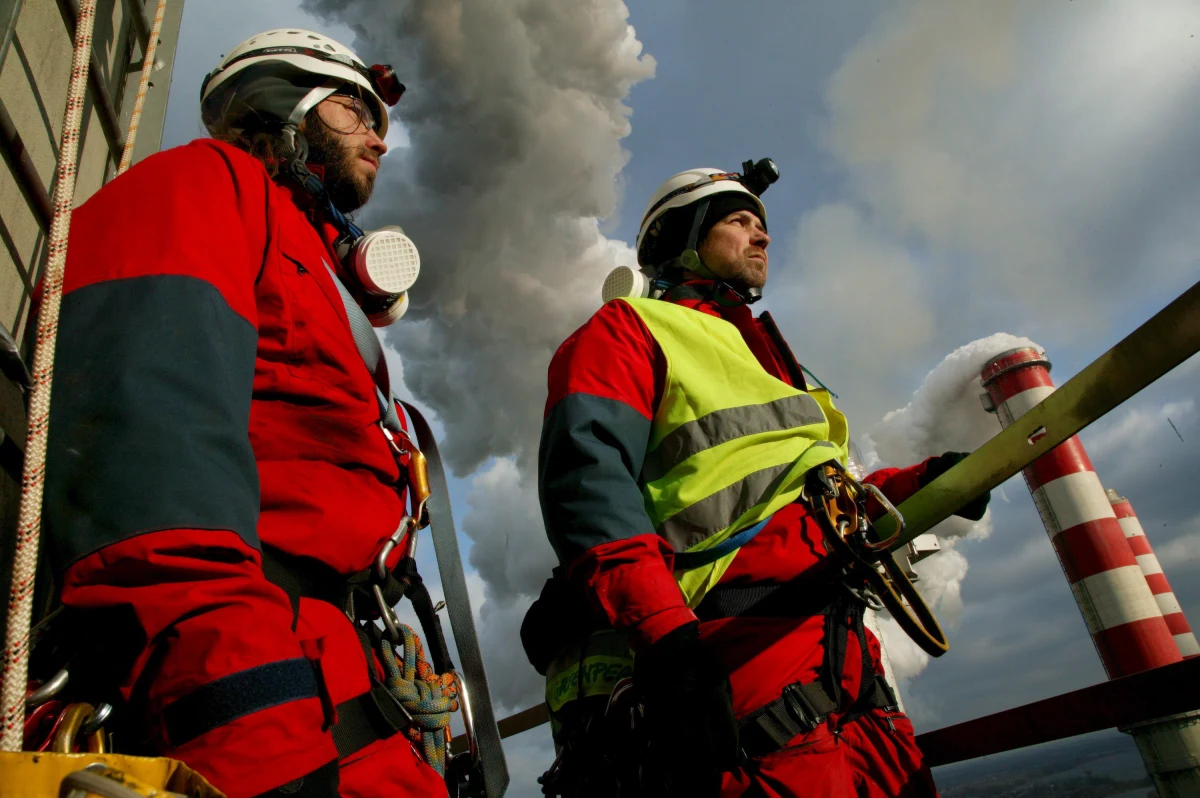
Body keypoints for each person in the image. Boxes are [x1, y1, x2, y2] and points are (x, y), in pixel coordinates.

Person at [40, 29, 450, 798]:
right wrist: (246, 728)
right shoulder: (199, 184)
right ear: (284, 104)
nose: (378, 139)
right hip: (266, 693)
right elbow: (146, 459)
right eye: (355, 109)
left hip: (348, 685)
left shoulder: (317, 266)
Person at [531, 161, 990, 797]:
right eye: (738, 221)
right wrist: (669, 644)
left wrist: (921, 485)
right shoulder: (628, 329)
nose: (763, 235)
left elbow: (822, 488)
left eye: (762, 223)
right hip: (743, 647)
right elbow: (587, 486)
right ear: (680, 239)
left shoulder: (775, 363)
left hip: (848, 645)